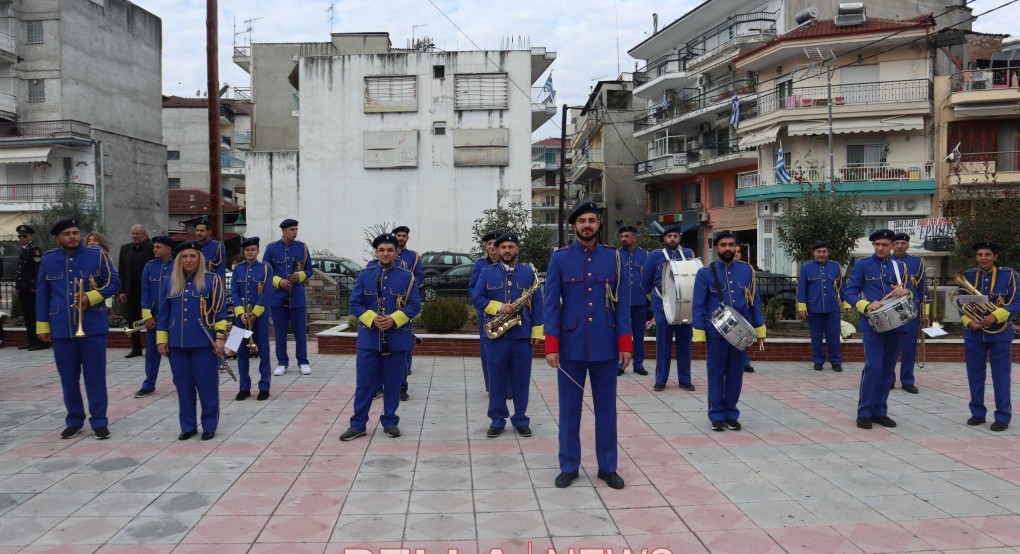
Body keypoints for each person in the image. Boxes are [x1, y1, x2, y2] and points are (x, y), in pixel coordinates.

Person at [545, 201, 632, 490]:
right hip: (570, 347)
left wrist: (625, 344)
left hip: (606, 346)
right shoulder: (560, 259)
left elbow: (623, 306)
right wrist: (551, 345)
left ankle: (607, 467)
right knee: (569, 410)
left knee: (606, 410)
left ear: (598, 225)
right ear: (574, 226)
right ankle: (569, 466)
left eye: (592, 220)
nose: (587, 225)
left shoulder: (615, 258)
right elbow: (550, 306)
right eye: (582, 220)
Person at [36, 217, 120, 440]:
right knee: (68, 378)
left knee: (95, 376)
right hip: (62, 328)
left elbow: (114, 283)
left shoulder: (97, 255)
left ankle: (99, 421)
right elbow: (43, 295)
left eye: (75, 232)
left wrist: (91, 297)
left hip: (92, 326)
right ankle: (74, 419)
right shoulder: (48, 260)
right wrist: (42, 326)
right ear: (57, 238)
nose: (72, 237)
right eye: (67, 234)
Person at [339, 233, 422, 441]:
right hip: (369, 339)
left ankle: (390, 421)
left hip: (397, 338)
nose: (385, 254)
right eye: (381, 250)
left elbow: (414, 306)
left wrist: (394, 319)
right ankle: (358, 424)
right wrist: (372, 318)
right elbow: (355, 304)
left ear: (396, 252)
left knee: (393, 383)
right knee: (365, 384)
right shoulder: (365, 275)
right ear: (376, 253)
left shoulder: (407, 277)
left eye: (390, 250)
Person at [692, 231, 765, 432]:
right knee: (716, 373)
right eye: (723, 245)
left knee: (735, 374)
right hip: (716, 332)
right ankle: (716, 415)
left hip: (740, 332)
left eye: (731, 245)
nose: (727, 249)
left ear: (736, 247)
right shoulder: (705, 273)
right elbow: (698, 304)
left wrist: (760, 327)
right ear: (717, 248)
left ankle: (731, 413)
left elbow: (754, 302)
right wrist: (698, 332)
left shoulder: (747, 271)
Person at [473, 233, 543, 438]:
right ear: (497, 250)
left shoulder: (529, 273)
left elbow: (538, 303)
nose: (506, 251)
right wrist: (498, 307)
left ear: (517, 249)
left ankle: (520, 419)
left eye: (511, 247)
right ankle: (497, 419)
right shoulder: (487, 272)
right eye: (502, 247)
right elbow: (477, 298)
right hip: (496, 337)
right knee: (496, 379)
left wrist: (537, 331)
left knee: (521, 380)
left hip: (521, 336)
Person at [156, 241, 227, 440]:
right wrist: (161, 339)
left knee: (207, 386)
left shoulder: (212, 280)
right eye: (185, 256)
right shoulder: (170, 281)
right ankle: (187, 426)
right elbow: (163, 313)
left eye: (193, 256)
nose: (189, 260)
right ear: (179, 259)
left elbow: (221, 313)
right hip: (177, 344)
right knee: (183, 386)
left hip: (204, 343)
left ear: (199, 258)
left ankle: (209, 425)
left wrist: (220, 338)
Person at [843, 229, 912, 430]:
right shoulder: (862, 265)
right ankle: (864, 411)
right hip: (873, 324)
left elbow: (913, 292)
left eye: (885, 245)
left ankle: (880, 411)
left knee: (888, 368)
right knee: (873, 366)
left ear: (892, 246)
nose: (880, 248)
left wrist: (906, 290)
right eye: (877, 245)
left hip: (897, 323)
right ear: (873, 246)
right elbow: (850, 292)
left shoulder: (900, 266)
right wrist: (864, 305)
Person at [958, 241, 1019, 431]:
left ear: (995, 257)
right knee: (974, 375)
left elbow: (1016, 301)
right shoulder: (967, 275)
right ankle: (977, 413)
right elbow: (961, 304)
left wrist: (995, 315)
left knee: (1001, 376)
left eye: (987, 255)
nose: (983, 258)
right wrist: (969, 321)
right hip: (974, 333)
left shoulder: (1008, 275)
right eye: (980, 255)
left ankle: (1002, 416)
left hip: (1000, 333)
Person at [641, 225, 696, 391]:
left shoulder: (687, 254)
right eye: (669, 236)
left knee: (685, 343)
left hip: (684, 305)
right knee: (663, 344)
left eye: (675, 236)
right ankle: (661, 379)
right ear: (664, 239)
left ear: (679, 238)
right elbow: (645, 282)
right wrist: (655, 300)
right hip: (663, 305)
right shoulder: (655, 256)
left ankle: (684, 379)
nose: (672, 239)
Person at [263, 219, 313, 376]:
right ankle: (282, 362)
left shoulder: (302, 247)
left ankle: (303, 362)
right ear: (283, 231)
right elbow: (264, 272)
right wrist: (278, 281)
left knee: (300, 332)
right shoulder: (272, 248)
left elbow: (310, 270)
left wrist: (301, 275)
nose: (295, 232)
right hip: (278, 297)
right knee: (280, 332)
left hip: (297, 296)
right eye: (292, 229)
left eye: (296, 229)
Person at [231, 237, 273, 401]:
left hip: (260, 316)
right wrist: (241, 313)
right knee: (240, 351)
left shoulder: (265, 268)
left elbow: (268, 292)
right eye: (247, 250)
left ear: (257, 250)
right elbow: (234, 292)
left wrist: (255, 314)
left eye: (253, 249)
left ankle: (264, 387)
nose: (250, 252)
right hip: (240, 317)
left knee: (263, 351)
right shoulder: (237, 269)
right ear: (244, 252)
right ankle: (244, 387)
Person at [134, 236, 175, 397]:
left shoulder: (177, 266)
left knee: (175, 352)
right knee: (152, 353)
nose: (154, 249)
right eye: (154, 247)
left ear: (168, 249)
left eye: (158, 247)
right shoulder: (149, 267)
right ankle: (149, 384)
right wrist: (147, 316)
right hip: (154, 317)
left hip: (172, 317)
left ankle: (180, 381)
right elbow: (144, 292)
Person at [797, 240, 846, 373]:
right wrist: (802, 307)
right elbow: (802, 288)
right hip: (814, 308)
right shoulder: (806, 267)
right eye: (818, 252)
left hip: (832, 307)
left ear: (828, 253)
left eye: (824, 252)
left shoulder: (836, 266)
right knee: (816, 336)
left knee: (834, 336)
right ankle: (818, 361)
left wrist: (846, 302)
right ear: (814, 253)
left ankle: (836, 361)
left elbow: (841, 286)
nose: (821, 254)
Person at [468, 230, 502, 393]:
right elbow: (472, 287)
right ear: (486, 247)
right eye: (489, 244)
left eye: (496, 243)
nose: (493, 246)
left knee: (507, 351)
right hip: (486, 313)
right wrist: (482, 301)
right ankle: (492, 386)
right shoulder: (480, 265)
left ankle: (507, 386)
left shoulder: (509, 263)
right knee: (487, 351)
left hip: (506, 313)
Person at [392, 225, 424, 400]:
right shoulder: (387, 255)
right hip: (390, 305)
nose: (401, 238)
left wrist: (409, 289)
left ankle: (405, 374)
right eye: (399, 235)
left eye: (404, 236)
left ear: (407, 238)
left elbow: (419, 276)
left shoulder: (413, 256)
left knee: (405, 337)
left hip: (406, 302)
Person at [891, 232, 925, 394]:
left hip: (912, 309)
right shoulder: (885, 261)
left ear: (908, 245)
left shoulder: (917, 262)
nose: (899, 246)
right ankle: (888, 379)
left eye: (902, 243)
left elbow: (923, 288)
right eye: (896, 243)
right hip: (891, 309)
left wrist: (925, 311)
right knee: (889, 347)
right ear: (892, 245)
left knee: (909, 346)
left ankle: (907, 380)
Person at [117, 224, 154, 358]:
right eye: (133, 233)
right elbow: (121, 271)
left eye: (138, 234)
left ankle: (152, 347)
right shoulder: (125, 249)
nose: (135, 236)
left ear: (144, 234)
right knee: (132, 319)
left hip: (148, 290)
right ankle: (135, 347)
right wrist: (121, 291)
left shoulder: (151, 248)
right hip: (130, 290)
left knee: (150, 318)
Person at [618, 226, 649, 376]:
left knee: (639, 335)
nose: (624, 239)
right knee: (621, 334)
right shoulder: (616, 255)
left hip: (639, 301)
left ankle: (638, 364)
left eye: (627, 236)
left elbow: (649, 278)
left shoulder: (645, 255)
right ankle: (620, 364)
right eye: (622, 236)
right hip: (621, 302)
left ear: (634, 238)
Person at [14, 224, 45, 351]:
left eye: (24, 236)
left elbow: (38, 269)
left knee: (34, 315)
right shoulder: (24, 250)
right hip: (23, 289)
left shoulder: (34, 250)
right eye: (20, 236)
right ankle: (31, 340)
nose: (22, 238)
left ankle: (41, 342)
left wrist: (35, 286)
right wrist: (17, 286)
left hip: (31, 289)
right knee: (27, 315)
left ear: (30, 236)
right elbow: (19, 271)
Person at [735, 243, 755, 373]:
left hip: (743, 310)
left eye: (738, 251)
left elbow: (752, 293)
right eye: (734, 250)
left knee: (744, 338)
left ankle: (744, 361)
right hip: (727, 311)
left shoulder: (747, 269)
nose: (736, 253)